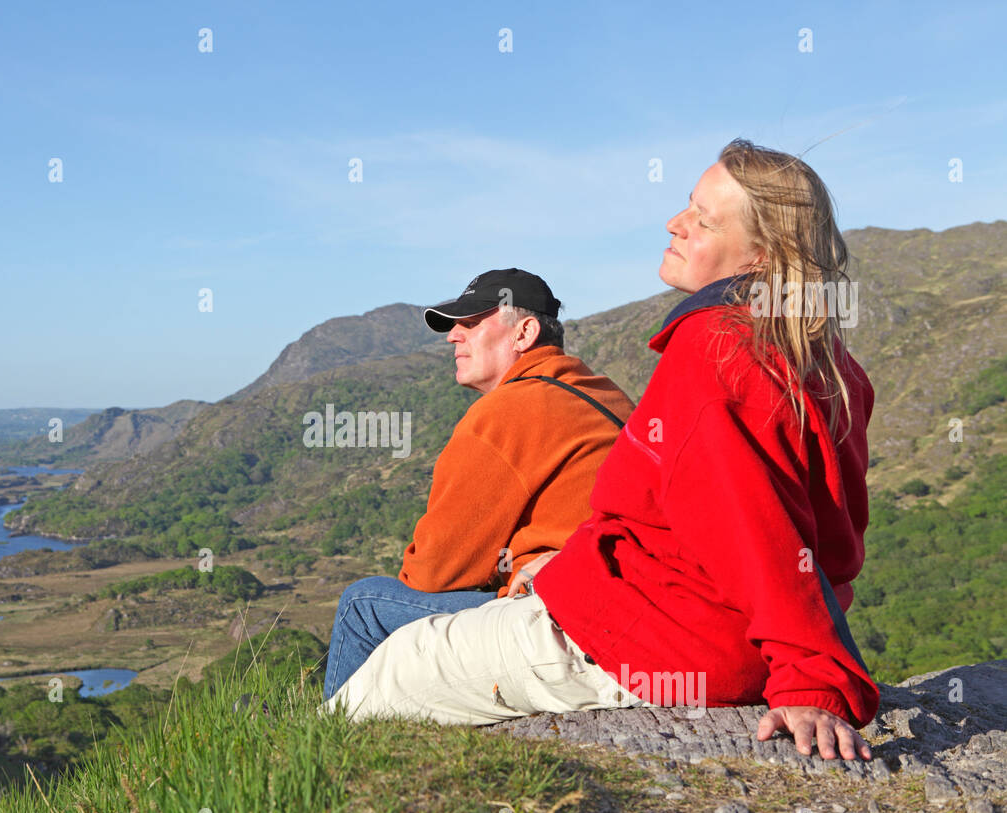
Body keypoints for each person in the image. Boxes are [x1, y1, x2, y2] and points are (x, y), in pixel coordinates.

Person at [325, 140, 879, 762]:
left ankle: (316, 800)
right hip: (706, 629)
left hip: (656, 638)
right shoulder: (827, 363)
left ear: (762, 253)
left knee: (394, 662)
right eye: (686, 207)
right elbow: (824, 535)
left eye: (703, 218)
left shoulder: (713, 347)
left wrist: (810, 677)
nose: (676, 223)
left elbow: (754, 523)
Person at [322, 268, 635, 700]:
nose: (453, 336)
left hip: (564, 621)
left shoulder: (511, 408)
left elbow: (435, 572)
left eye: (471, 323)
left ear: (524, 333)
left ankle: (332, 730)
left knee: (364, 605)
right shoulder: (601, 393)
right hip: (621, 606)